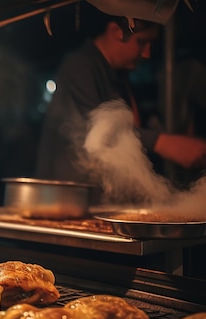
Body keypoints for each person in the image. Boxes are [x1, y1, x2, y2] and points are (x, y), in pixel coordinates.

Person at [35, 7, 206, 199]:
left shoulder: (118, 77)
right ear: (116, 31)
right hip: (66, 200)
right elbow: (96, 132)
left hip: (98, 201)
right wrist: (162, 142)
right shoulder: (80, 65)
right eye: (141, 42)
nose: (147, 53)